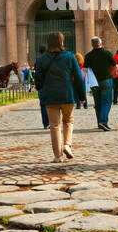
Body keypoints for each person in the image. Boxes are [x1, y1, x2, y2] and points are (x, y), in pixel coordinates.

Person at [34, 32, 85, 162]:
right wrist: (82, 96)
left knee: (54, 125)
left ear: (48, 43)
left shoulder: (41, 59)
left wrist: (41, 89)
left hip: (50, 95)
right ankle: (67, 145)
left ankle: (57, 156)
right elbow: (78, 77)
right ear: (62, 42)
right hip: (67, 94)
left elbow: (38, 79)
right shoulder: (69, 56)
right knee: (68, 121)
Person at [83, 36, 117, 130]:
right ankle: (103, 121)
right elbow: (115, 65)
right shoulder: (107, 53)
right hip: (106, 79)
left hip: (94, 82)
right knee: (106, 101)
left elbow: (84, 69)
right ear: (101, 44)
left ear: (92, 45)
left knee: (97, 103)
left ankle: (99, 122)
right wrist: (114, 73)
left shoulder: (89, 55)